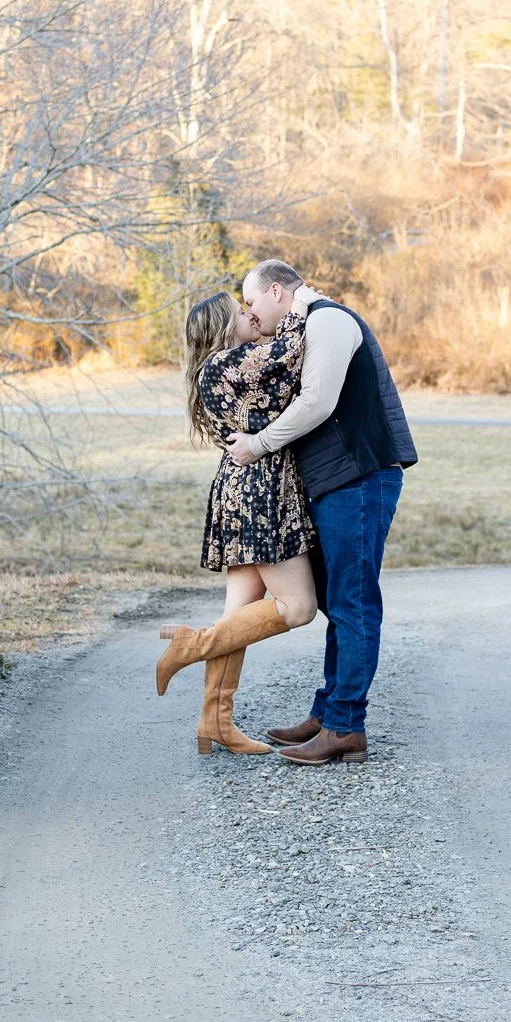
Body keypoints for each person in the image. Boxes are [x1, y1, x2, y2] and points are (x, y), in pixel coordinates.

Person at [225, 259, 417, 766]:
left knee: (353, 600)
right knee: (338, 597)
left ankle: (346, 727)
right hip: (338, 479)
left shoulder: (328, 321)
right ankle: (328, 712)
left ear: (275, 291)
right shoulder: (302, 328)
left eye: (251, 302)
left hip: (360, 475)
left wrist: (259, 444)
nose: (250, 313)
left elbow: (317, 402)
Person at [156, 281, 322, 755]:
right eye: (240, 310)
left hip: (249, 489)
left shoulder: (228, 368)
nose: (251, 312)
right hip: (258, 493)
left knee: (239, 615)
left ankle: (215, 722)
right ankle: (194, 644)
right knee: (298, 608)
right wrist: (302, 301)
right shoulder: (226, 364)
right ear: (222, 329)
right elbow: (288, 352)